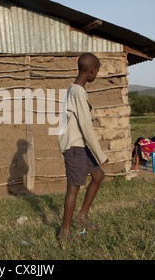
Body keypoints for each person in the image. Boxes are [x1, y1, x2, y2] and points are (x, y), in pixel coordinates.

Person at [57, 53, 109, 241]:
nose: (97, 75)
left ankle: (82, 216)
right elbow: (87, 127)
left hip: (80, 144)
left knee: (98, 175)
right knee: (74, 187)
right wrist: (100, 154)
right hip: (74, 145)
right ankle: (64, 232)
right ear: (91, 71)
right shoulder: (78, 91)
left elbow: (84, 113)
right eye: (97, 72)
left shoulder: (77, 90)